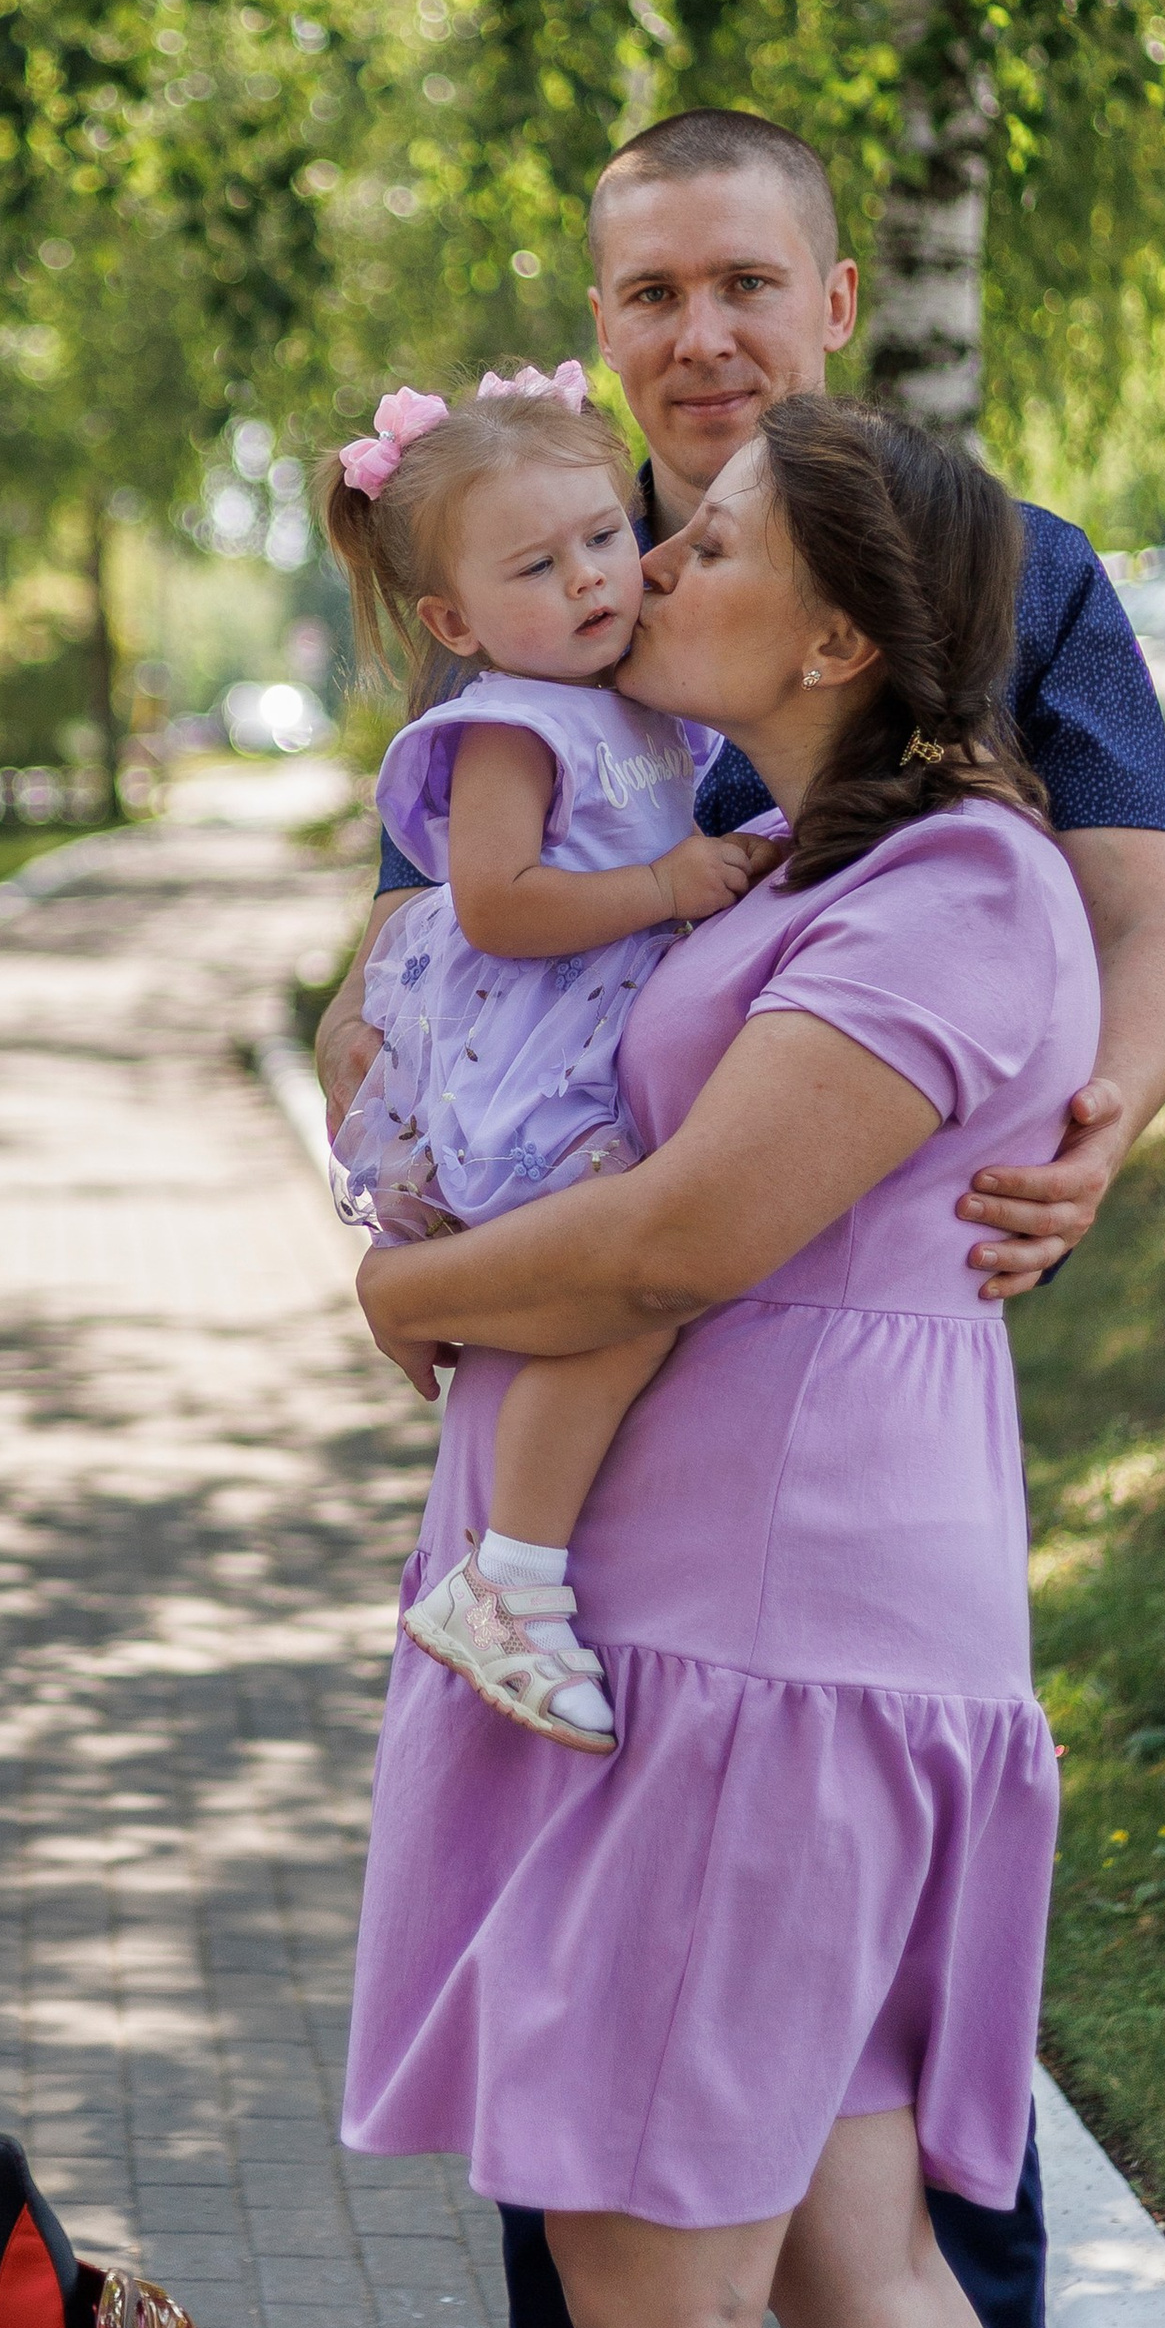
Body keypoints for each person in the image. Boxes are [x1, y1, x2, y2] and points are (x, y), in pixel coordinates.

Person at [314, 109, 1165, 2328]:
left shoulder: (954, 620)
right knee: (691, 2208)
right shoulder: (559, 566)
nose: (690, 336)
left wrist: (1088, 1120)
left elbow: (1096, 923)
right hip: (664, 1551)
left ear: (830, 301)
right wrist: (402, 1091)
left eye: (736, 282)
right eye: (643, 291)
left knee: (743, 2231)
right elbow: (455, 913)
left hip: (761, 1594)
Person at [321, 361, 773, 1747]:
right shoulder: (506, 726)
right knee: (622, 1292)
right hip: (532, 1068)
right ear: (455, 622)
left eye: (603, 538)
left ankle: (519, 1554)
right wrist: (666, 888)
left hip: (594, 1049)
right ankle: (510, 1577)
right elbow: (496, 904)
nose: (589, 579)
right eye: (536, 566)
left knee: (632, 1287)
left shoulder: (645, 689)